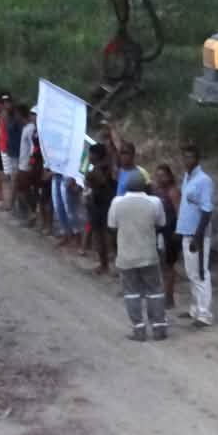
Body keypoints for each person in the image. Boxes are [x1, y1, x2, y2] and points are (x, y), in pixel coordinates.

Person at [108, 170, 168, 342]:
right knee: (154, 291)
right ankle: (159, 328)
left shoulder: (117, 203)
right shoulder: (154, 202)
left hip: (126, 256)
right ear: (145, 185)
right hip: (149, 254)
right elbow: (161, 224)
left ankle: (139, 330)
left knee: (132, 293)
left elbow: (112, 227)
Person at [175, 144, 214, 327]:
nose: (186, 160)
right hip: (186, 232)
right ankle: (195, 308)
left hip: (197, 235)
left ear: (197, 159)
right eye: (184, 157)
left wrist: (198, 237)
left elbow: (207, 210)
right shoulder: (187, 177)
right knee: (191, 273)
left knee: (200, 273)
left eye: (190, 157)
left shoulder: (204, 180)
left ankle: (205, 314)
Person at [86, 143, 117, 275]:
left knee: (108, 236)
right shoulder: (98, 167)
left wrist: (95, 171)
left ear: (97, 155)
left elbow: (102, 182)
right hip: (96, 204)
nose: (89, 156)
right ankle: (103, 264)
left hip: (107, 204)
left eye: (91, 154)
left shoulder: (107, 167)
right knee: (98, 235)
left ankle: (113, 266)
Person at [154, 164, 181, 308]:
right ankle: (163, 293)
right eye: (158, 175)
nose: (160, 178)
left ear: (169, 177)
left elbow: (179, 212)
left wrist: (178, 231)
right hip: (160, 230)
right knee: (162, 264)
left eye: (163, 175)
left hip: (171, 231)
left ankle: (169, 297)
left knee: (169, 265)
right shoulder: (158, 191)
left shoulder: (173, 192)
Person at [16, 106, 38, 225]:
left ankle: (32, 213)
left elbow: (32, 147)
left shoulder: (31, 129)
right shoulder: (28, 128)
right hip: (23, 164)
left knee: (24, 190)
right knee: (23, 190)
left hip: (26, 165)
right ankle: (30, 214)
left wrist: (30, 163)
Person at [52, 172, 81, 247]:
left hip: (69, 175)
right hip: (57, 174)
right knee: (58, 208)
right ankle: (66, 233)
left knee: (70, 209)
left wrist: (77, 180)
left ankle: (77, 235)